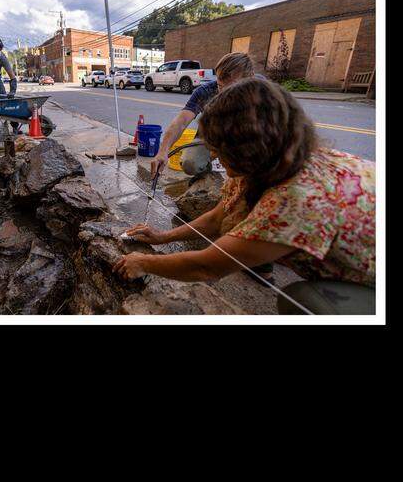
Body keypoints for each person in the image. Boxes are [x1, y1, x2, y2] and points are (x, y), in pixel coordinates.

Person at [116, 78, 375, 314]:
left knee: (302, 299)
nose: (214, 157)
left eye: (219, 150)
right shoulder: (278, 157)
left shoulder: (299, 199)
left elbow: (208, 266)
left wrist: (145, 263)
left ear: (249, 149)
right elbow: (219, 217)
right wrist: (163, 237)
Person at [149, 52, 259, 178]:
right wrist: (163, 151)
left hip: (244, 137)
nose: (223, 94)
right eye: (220, 86)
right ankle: (208, 178)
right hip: (211, 135)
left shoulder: (261, 90)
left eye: (231, 88)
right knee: (190, 163)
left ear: (250, 78)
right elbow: (181, 121)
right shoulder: (205, 91)